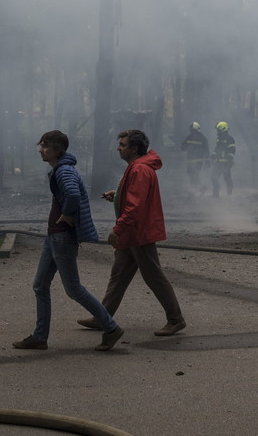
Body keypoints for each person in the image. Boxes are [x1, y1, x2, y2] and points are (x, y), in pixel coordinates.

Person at [14, 130, 124, 352]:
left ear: (57, 149)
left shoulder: (64, 171)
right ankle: (39, 337)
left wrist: (65, 214)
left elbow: (72, 194)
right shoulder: (62, 169)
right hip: (54, 235)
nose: (40, 149)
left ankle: (111, 328)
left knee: (73, 289)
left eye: (45, 145)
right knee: (40, 285)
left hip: (62, 236)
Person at [78, 129, 186, 336]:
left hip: (138, 233)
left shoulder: (140, 170)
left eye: (123, 145)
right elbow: (134, 196)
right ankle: (103, 317)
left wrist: (117, 229)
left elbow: (135, 207)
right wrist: (118, 194)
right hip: (132, 233)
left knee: (154, 276)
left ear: (134, 148)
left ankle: (176, 319)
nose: (119, 148)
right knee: (118, 275)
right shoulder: (136, 167)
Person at [179, 122, 210, 195]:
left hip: (195, 161)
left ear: (195, 130)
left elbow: (183, 147)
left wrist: (208, 161)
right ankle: (196, 189)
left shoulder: (192, 137)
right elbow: (183, 147)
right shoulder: (201, 138)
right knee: (192, 176)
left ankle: (200, 188)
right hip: (192, 161)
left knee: (194, 175)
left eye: (192, 130)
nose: (191, 131)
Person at [211, 121, 236, 197]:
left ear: (223, 129)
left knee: (227, 178)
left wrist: (229, 158)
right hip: (219, 162)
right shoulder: (219, 139)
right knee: (213, 177)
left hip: (226, 163)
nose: (217, 131)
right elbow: (217, 148)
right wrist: (213, 155)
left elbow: (232, 149)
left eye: (218, 130)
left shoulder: (230, 138)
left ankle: (229, 193)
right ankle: (216, 195)